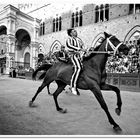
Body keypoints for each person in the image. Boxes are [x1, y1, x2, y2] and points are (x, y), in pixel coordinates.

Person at [66, 28, 85, 95]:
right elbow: (69, 45)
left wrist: (84, 49)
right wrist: (79, 49)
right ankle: (72, 86)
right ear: (71, 33)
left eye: (76, 31)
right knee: (78, 68)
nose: (76, 32)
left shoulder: (78, 39)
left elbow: (82, 45)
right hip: (73, 55)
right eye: (74, 31)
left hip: (79, 56)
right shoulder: (69, 39)